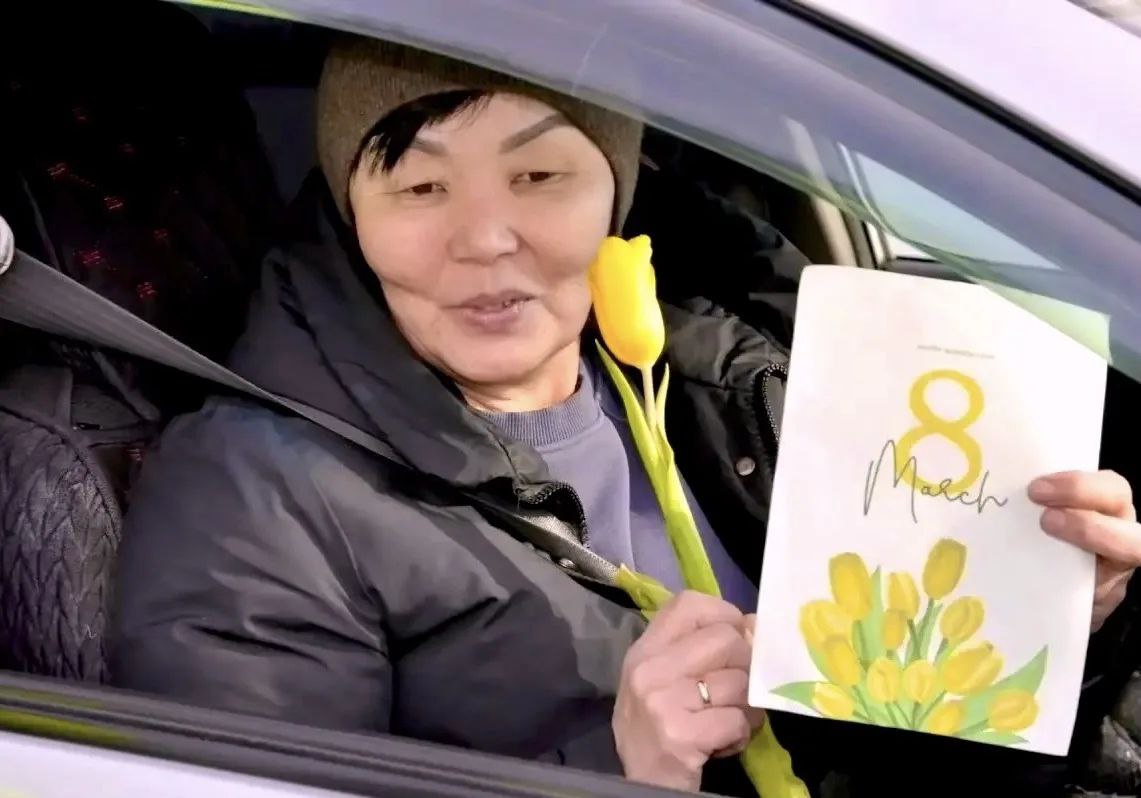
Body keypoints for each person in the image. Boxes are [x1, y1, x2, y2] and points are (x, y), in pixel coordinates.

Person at [110, 35, 1141, 798]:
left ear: (614, 193)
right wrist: (621, 770)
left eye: (539, 175)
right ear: (351, 213)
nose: (485, 238)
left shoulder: (731, 384)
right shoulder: (252, 496)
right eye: (419, 187)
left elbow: (901, 754)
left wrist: (1044, 632)